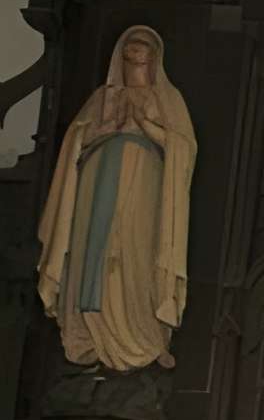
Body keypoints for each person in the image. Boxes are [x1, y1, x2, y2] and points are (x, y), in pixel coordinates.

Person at [35, 24, 199, 371]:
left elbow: (183, 150)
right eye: (129, 49)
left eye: (142, 49)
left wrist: (145, 125)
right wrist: (103, 130)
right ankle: (88, 334)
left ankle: (142, 336)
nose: (134, 55)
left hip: (144, 185)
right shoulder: (101, 98)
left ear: (155, 58)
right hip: (95, 182)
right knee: (89, 249)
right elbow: (75, 142)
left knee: (133, 251)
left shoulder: (166, 99)